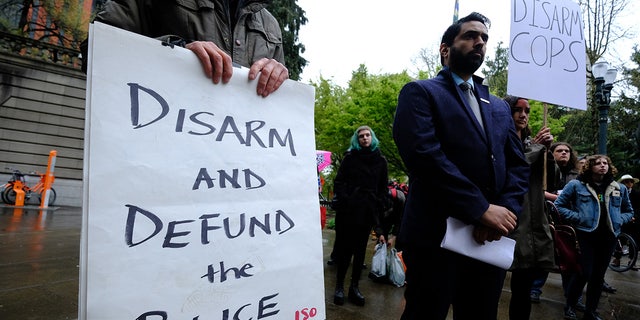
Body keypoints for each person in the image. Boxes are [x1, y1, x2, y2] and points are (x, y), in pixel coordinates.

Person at [392, 12, 529, 320]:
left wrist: (500, 216)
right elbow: (425, 157)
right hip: (434, 240)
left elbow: (519, 167)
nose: (478, 42)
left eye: (484, 38)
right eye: (469, 36)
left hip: (488, 242)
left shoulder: (499, 108)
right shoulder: (421, 93)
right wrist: (480, 208)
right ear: (445, 49)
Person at [82, 0, 288, 97]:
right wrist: (176, 53)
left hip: (234, 173)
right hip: (153, 158)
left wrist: (279, 76)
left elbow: (278, 107)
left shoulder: (270, 26)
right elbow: (96, 52)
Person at [555, 155, 635, 320]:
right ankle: (570, 304)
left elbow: (629, 211)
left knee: (598, 276)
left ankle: (591, 311)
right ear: (590, 167)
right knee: (584, 273)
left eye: (605, 163)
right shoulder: (576, 185)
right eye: (598, 163)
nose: (602, 166)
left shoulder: (619, 188)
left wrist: (620, 219)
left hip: (609, 237)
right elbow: (558, 206)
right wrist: (577, 217)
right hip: (585, 235)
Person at [503, 96, 556, 320]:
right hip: (508, 219)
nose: (523, 115)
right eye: (517, 110)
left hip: (533, 225)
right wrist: (537, 149)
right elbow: (512, 169)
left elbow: (551, 181)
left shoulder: (532, 144)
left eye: (527, 110)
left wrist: (548, 153)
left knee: (523, 291)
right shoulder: (499, 139)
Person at [331, 125, 388, 306]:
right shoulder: (350, 158)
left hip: (367, 211)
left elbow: (383, 188)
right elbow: (339, 181)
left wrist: (378, 208)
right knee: (345, 250)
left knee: (361, 251)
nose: (365, 138)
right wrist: (347, 198)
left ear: (372, 137)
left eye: (367, 135)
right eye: (361, 136)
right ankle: (339, 287)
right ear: (357, 139)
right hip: (349, 210)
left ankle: (354, 288)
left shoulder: (381, 160)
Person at [530, 142, 581, 303]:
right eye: (559, 151)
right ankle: (535, 289)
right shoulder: (546, 169)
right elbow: (540, 191)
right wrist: (558, 198)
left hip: (570, 220)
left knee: (569, 256)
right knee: (547, 254)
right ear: (552, 153)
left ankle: (571, 296)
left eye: (567, 151)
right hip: (548, 217)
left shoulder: (577, 174)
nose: (564, 153)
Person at [618, 174, 640, 259]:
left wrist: (635, 217)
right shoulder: (618, 193)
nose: (629, 183)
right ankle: (617, 258)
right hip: (622, 219)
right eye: (627, 181)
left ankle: (632, 260)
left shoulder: (636, 194)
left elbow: (638, 208)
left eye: (631, 181)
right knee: (619, 239)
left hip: (634, 220)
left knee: (634, 240)